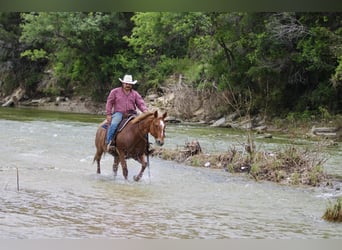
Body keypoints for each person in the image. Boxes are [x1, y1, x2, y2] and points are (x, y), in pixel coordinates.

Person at [105, 74, 148, 152]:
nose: (128, 85)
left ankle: (146, 145)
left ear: (131, 85)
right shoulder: (115, 92)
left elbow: (140, 103)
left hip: (132, 113)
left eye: (129, 84)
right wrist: (108, 114)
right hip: (119, 113)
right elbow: (109, 103)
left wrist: (145, 111)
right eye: (126, 83)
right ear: (123, 83)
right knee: (114, 124)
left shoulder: (135, 94)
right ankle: (109, 142)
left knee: (144, 125)